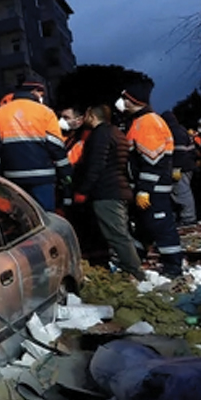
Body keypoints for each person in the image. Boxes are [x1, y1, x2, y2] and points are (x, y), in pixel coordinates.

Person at [117, 81, 183, 278]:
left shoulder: (147, 122)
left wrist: (145, 189)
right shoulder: (140, 121)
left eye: (125, 99)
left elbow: (152, 161)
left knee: (161, 227)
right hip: (148, 187)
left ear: (133, 101)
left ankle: (173, 266)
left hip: (154, 189)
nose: (120, 103)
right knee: (144, 226)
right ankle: (136, 260)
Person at [71, 105, 142, 277]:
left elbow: (96, 165)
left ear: (91, 115)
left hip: (107, 191)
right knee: (119, 232)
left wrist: (83, 190)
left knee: (116, 235)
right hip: (119, 188)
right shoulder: (116, 132)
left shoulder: (100, 135)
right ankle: (131, 267)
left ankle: (134, 271)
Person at [0, 81, 70, 211]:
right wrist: (65, 173)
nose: (42, 97)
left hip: (13, 179)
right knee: (46, 218)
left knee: (22, 217)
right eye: (40, 93)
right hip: (43, 177)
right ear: (33, 92)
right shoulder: (45, 112)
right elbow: (56, 147)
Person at [162, 110, 198, 226]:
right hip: (187, 166)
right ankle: (184, 216)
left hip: (181, 167)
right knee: (180, 192)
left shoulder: (174, 132)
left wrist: (176, 167)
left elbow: (179, 151)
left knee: (182, 192)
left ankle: (188, 218)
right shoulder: (182, 130)